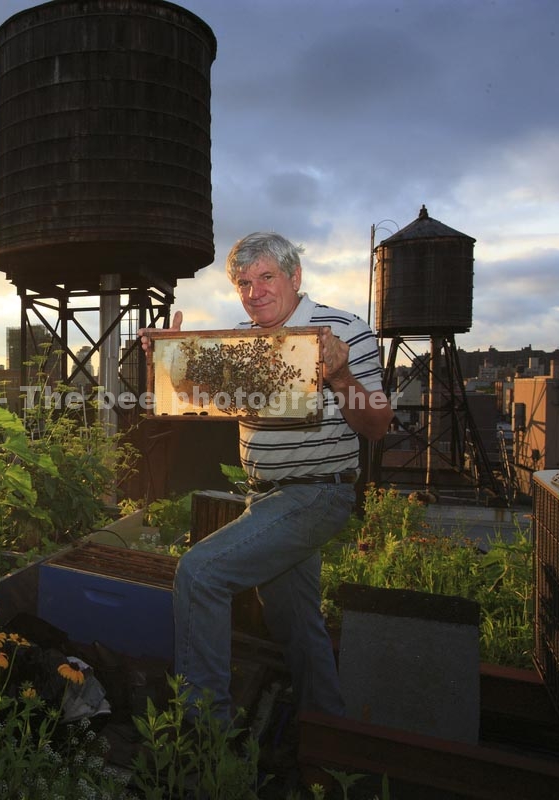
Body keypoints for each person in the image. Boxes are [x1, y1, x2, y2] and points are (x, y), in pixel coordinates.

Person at [140, 231, 394, 725]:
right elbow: (197, 399)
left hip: (317, 493)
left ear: (294, 277)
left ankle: (205, 733)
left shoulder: (346, 330)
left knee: (201, 572)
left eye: (265, 277)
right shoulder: (241, 339)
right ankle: (328, 734)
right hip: (265, 499)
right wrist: (169, 362)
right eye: (243, 282)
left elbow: (377, 425)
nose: (253, 291)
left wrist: (340, 376)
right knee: (295, 624)